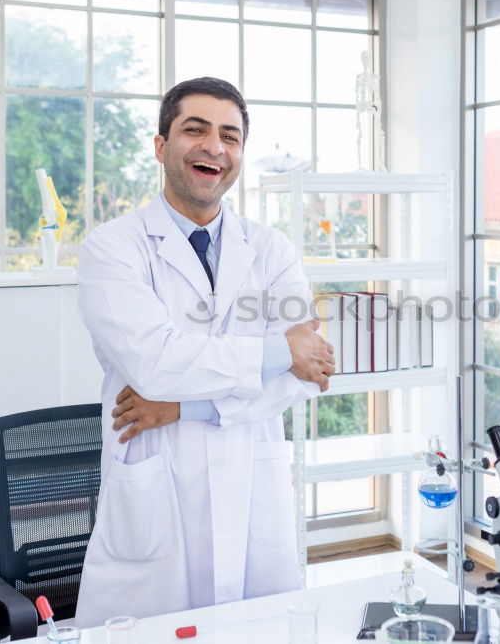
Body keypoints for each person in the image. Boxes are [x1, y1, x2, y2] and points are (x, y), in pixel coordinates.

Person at [74, 77, 335, 627]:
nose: (214, 146)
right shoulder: (112, 247)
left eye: (230, 136)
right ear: (161, 145)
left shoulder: (272, 249)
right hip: (154, 501)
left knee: (257, 632)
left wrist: (185, 408)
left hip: (250, 485)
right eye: (195, 130)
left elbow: (299, 378)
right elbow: (156, 363)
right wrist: (280, 349)